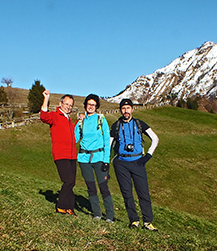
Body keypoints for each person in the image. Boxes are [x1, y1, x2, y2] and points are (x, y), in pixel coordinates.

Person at [110, 98, 159, 231]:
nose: (126, 111)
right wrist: (106, 162)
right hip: (121, 163)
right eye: (123, 108)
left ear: (132, 109)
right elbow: (109, 144)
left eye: (128, 108)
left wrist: (148, 156)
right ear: (121, 110)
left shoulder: (139, 124)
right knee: (127, 193)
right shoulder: (116, 125)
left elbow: (155, 139)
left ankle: (147, 222)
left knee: (143, 193)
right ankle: (134, 220)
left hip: (138, 162)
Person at [75, 94, 115, 223]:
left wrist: (106, 160)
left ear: (97, 106)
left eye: (93, 104)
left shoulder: (101, 120)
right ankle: (96, 214)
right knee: (91, 187)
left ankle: (109, 215)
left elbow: (106, 140)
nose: (91, 107)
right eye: (89, 104)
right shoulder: (82, 121)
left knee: (104, 187)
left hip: (99, 158)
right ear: (85, 105)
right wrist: (77, 122)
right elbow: (75, 139)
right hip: (83, 158)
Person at [40, 90, 78, 217]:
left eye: (71, 105)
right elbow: (43, 117)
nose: (68, 107)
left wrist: (79, 121)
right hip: (61, 154)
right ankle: (61, 206)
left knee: (72, 182)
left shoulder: (69, 119)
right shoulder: (55, 116)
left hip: (72, 155)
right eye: (66, 104)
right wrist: (46, 98)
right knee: (68, 181)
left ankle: (69, 208)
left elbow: (72, 134)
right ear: (60, 103)